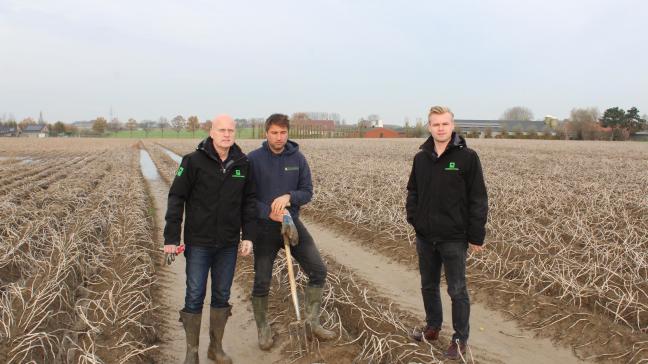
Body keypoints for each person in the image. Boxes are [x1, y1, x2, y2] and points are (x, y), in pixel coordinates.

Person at [163, 114, 256, 364]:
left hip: (227, 243)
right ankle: (191, 353)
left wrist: (248, 235)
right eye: (221, 130)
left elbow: (248, 202)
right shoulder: (192, 162)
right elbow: (176, 198)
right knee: (194, 294)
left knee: (222, 295)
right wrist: (171, 236)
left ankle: (215, 348)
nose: (227, 134)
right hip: (198, 242)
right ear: (211, 132)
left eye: (231, 130)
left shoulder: (242, 164)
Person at [247, 113, 336, 350]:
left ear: (288, 133)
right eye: (274, 133)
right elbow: (247, 198)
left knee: (318, 270)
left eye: (283, 133)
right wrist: (268, 212)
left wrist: (289, 197)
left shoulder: (297, 158)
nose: (279, 137)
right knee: (262, 281)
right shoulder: (253, 160)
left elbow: (307, 191)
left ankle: (312, 322)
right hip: (264, 229)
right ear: (266, 133)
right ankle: (263, 329)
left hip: (292, 225)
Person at [406, 106, 488, 360]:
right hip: (425, 236)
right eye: (435, 124)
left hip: (454, 237)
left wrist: (476, 235)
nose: (440, 128)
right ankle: (433, 326)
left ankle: (459, 338)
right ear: (429, 127)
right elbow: (413, 191)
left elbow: (478, 198)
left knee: (457, 290)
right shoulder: (421, 158)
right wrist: (415, 220)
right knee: (428, 285)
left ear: (452, 126)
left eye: (445, 124)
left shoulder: (467, 157)